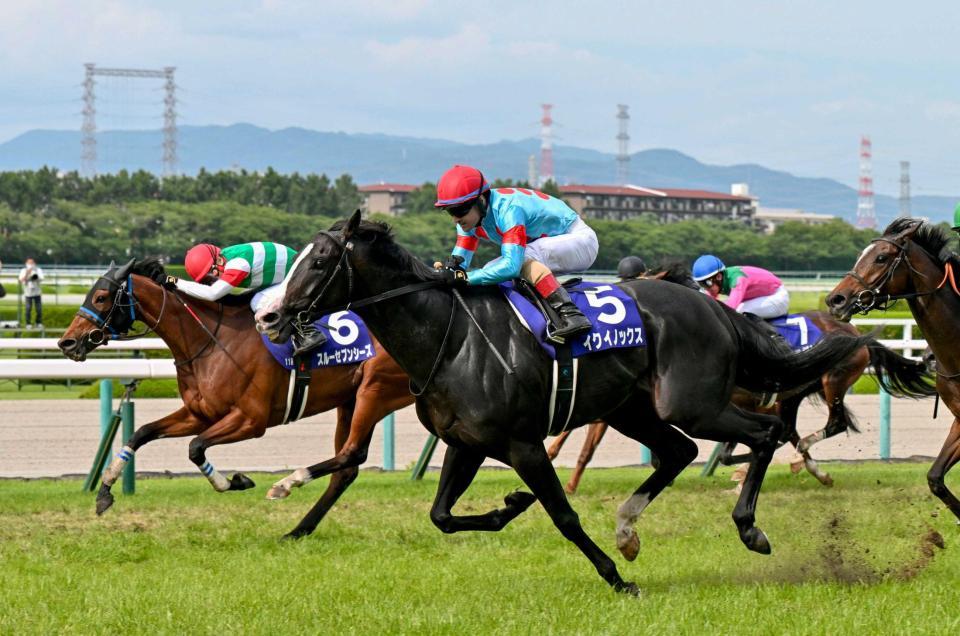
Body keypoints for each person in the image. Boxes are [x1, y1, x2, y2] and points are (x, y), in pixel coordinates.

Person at [433, 165, 597, 341]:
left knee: (522, 258)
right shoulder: (469, 222)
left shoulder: (508, 209)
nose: (455, 219)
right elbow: (460, 264)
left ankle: (571, 314)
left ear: (480, 200)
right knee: (490, 268)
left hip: (580, 240)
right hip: (547, 247)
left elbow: (512, 266)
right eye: (450, 211)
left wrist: (465, 278)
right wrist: (445, 274)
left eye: (459, 210)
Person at [168, 241, 326, 355]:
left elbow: (213, 294)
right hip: (282, 276)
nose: (211, 280)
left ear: (220, 261)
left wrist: (175, 282)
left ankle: (307, 333)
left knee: (259, 302)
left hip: (298, 276)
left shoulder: (238, 264)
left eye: (211, 274)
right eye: (205, 280)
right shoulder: (226, 258)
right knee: (255, 299)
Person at [691, 254, 789, 319]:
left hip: (777, 297)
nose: (706, 288)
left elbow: (731, 308)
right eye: (702, 284)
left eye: (707, 283)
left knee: (739, 312)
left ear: (719, 276)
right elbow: (710, 302)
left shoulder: (737, 279)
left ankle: (774, 339)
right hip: (762, 297)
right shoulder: (718, 282)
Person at [18, 258, 44, 327]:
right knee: (28, 309)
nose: (30, 264)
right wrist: (27, 273)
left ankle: (38, 323)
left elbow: (41, 279)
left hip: (37, 292)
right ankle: (28, 323)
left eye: (32, 263)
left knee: (39, 309)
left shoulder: (38, 270)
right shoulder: (23, 270)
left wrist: (35, 274)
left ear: (34, 263)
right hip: (28, 293)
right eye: (29, 263)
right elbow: (21, 280)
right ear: (26, 263)